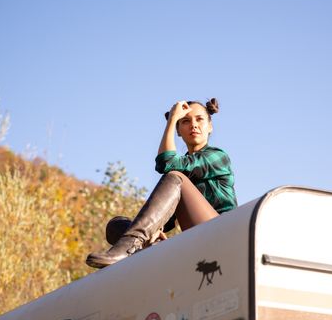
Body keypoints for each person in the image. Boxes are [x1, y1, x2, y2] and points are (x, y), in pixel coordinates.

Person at [86, 98, 237, 268]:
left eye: (199, 119)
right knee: (116, 225)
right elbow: (166, 220)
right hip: (194, 238)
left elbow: (166, 163)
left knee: (175, 177)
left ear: (210, 126)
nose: (193, 125)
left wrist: (172, 119)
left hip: (221, 231)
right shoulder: (183, 172)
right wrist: (157, 232)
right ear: (179, 131)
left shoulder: (217, 156)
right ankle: (145, 246)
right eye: (185, 121)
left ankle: (129, 247)